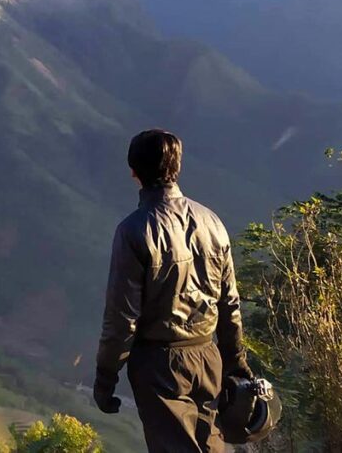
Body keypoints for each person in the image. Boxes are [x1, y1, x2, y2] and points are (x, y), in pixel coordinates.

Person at [93, 129, 251, 452]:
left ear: (134, 171)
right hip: (209, 357)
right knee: (211, 447)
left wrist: (106, 376)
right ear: (177, 167)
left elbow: (122, 318)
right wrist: (236, 362)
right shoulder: (213, 223)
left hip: (160, 365)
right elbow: (229, 303)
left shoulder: (134, 231)